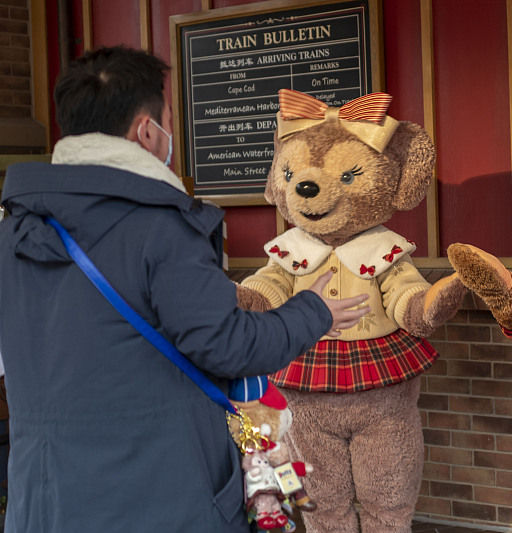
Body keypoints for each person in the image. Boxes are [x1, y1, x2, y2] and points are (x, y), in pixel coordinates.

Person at [0, 46, 368, 532]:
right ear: (147, 132)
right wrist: (313, 311)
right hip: (159, 496)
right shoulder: (161, 226)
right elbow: (228, 346)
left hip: (43, 502)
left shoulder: (11, 232)